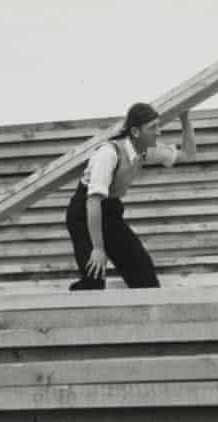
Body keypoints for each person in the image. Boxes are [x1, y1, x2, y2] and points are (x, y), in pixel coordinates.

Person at [66, 103, 197, 290]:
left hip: (110, 213)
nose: (158, 132)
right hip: (85, 214)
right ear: (135, 132)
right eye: (152, 128)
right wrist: (97, 248)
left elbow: (188, 155)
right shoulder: (108, 154)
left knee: (145, 279)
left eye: (158, 126)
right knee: (93, 282)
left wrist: (185, 120)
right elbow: (93, 201)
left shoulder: (146, 151)